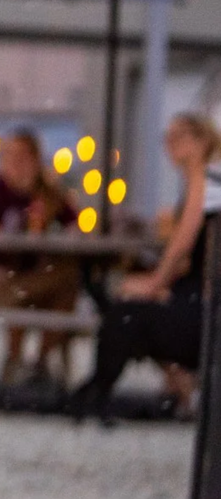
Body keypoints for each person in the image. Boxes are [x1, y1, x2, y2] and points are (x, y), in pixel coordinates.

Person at [70, 112, 221, 421]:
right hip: (197, 297)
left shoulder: (205, 179)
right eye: (167, 137)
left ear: (201, 139)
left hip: (201, 303)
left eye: (179, 137)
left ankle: (98, 391)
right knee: (127, 310)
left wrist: (156, 283)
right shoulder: (205, 180)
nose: (170, 145)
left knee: (126, 314)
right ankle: (176, 389)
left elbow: (183, 244)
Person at [0, 127, 78, 384]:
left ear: (35, 160)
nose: (14, 164)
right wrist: (4, 233)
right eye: (8, 156)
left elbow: (74, 228)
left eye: (21, 157)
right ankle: (25, 363)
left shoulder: (48, 195)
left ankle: (33, 362)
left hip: (28, 277)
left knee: (60, 290)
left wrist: (45, 230)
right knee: (59, 285)